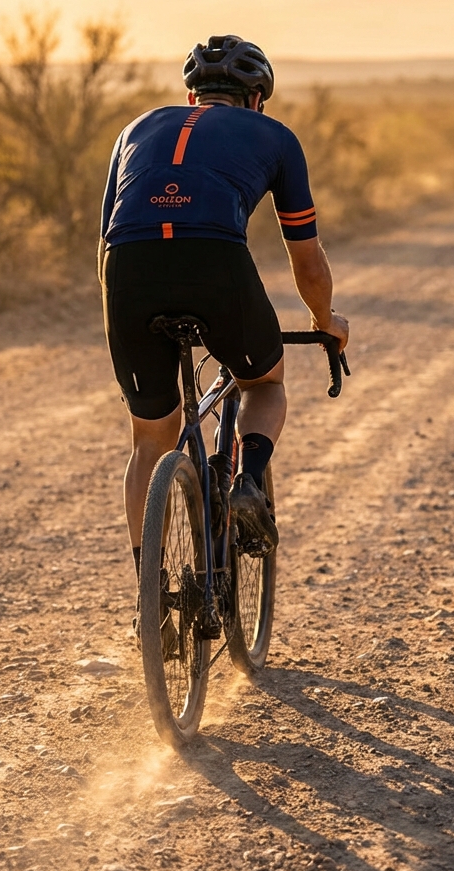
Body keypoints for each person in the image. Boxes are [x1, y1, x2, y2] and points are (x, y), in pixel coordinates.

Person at [99, 35, 348, 576]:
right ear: (257, 98)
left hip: (128, 269)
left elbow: (109, 238)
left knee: (149, 438)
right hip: (214, 260)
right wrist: (325, 323)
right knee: (265, 383)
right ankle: (249, 480)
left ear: (192, 97)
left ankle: (151, 595)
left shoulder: (134, 129)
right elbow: (307, 261)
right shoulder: (275, 136)